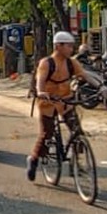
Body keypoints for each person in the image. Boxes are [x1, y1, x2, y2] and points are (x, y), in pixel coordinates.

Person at [26, 31, 80, 181]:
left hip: (65, 101)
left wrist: (101, 87)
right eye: (68, 46)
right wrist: (40, 91)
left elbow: (85, 75)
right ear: (58, 46)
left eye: (71, 46)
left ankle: (77, 162)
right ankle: (34, 159)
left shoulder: (71, 62)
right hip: (47, 102)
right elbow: (40, 81)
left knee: (77, 129)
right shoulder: (46, 63)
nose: (71, 49)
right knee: (46, 133)